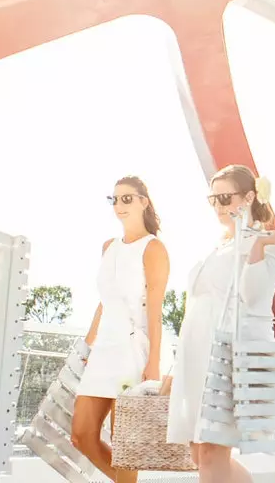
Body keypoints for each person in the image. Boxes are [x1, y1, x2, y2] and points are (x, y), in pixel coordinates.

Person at [162, 164, 275, 482]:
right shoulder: (219, 245)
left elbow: (255, 295)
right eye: (213, 199)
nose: (218, 206)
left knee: (211, 453)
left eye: (225, 198)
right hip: (198, 357)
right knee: (199, 453)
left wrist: (258, 247)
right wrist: (176, 367)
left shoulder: (269, 242)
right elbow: (196, 308)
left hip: (235, 355)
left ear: (249, 197)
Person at [70, 177, 170, 483]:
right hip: (103, 351)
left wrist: (152, 363)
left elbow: (155, 311)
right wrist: (86, 347)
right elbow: (103, 303)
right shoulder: (108, 247)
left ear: (144, 201)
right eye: (114, 199)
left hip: (132, 351)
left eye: (127, 198)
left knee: (125, 447)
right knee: (81, 435)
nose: (119, 205)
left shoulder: (153, 248)